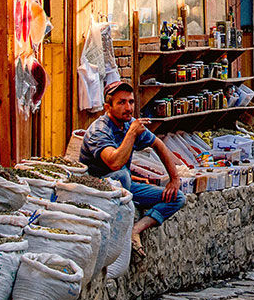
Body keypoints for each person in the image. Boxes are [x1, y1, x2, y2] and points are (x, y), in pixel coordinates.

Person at [78, 80, 194, 253]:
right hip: (98, 189)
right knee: (122, 175)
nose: (128, 108)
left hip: (125, 186)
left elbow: (158, 144)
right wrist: (132, 133)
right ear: (108, 107)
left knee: (177, 197)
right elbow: (114, 163)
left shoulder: (129, 124)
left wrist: (174, 178)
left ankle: (136, 230)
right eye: (121, 103)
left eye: (131, 102)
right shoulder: (99, 131)